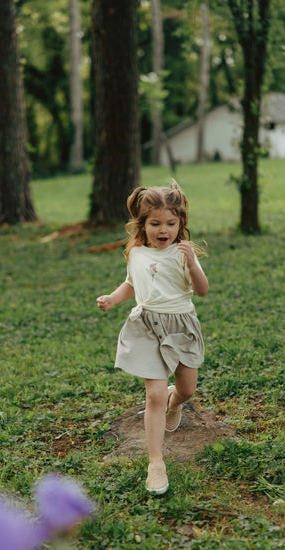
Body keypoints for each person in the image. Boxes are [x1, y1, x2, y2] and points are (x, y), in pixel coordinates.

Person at [96, 182, 208, 495]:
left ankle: (177, 401)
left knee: (186, 390)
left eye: (171, 223)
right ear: (142, 225)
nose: (164, 229)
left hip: (181, 324)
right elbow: (132, 283)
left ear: (180, 224)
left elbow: (202, 290)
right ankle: (156, 463)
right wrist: (112, 299)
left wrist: (193, 263)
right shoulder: (135, 252)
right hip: (146, 325)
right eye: (155, 223)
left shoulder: (183, 254)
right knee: (154, 396)